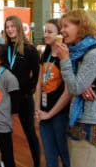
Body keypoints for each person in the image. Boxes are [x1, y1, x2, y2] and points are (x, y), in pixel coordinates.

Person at [56, 9, 96, 167]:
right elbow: (77, 85)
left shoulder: (94, 54)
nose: (62, 31)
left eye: (66, 26)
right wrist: (80, 86)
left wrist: (65, 60)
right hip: (80, 119)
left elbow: (74, 87)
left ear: (80, 27)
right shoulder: (78, 53)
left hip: (92, 121)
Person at [4, 15, 41, 167]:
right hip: (6, 98)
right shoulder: (4, 49)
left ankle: (37, 163)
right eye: (7, 27)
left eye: (12, 26)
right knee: (5, 134)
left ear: (19, 27)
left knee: (30, 133)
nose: (10, 29)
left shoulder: (30, 49)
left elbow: (37, 75)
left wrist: (28, 90)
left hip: (24, 98)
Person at [34, 19, 71, 167]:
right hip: (44, 110)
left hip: (60, 113)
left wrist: (50, 114)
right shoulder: (46, 52)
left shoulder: (66, 55)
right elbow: (39, 83)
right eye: (45, 31)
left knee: (64, 152)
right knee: (49, 154)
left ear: (59, 34)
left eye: (50, 32)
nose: (46, 35)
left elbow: (68, 92)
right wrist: (37, 109)